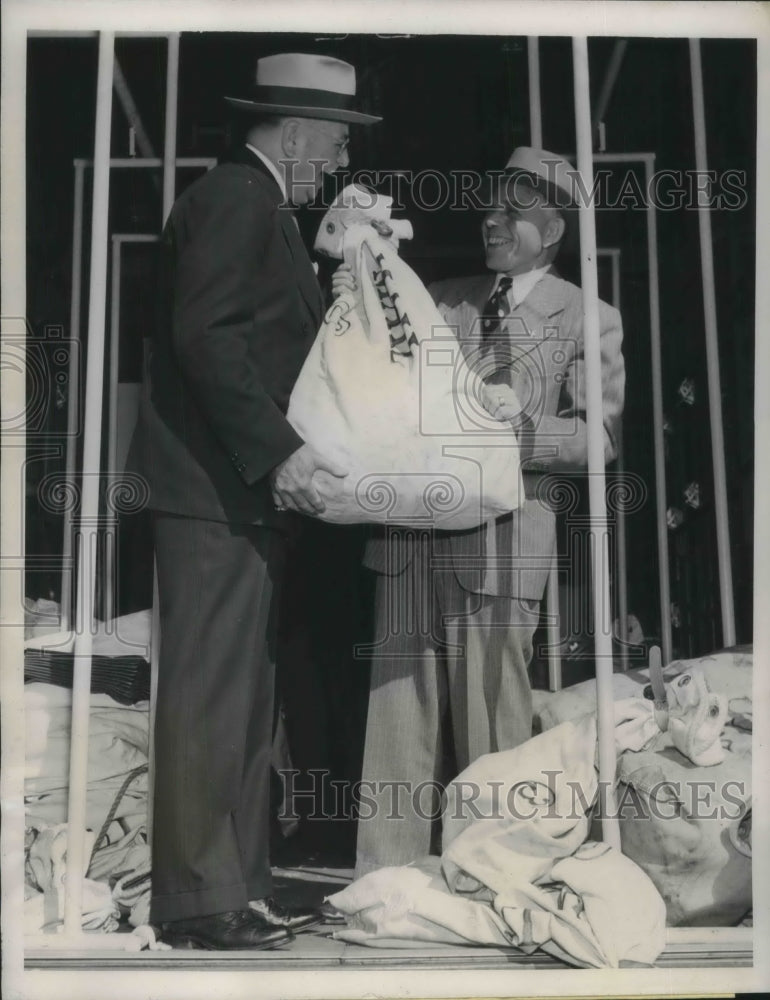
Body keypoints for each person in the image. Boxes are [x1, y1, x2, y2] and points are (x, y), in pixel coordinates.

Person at [128, 52, 380, 949]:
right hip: (214, 490)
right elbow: (208, 339)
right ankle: (199, 902)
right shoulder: (238, 198)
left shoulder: (261, 207)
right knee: (210, 698)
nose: (342, 163)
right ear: (298, 130)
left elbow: (255, 335)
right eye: (339, 142)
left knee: (240, 698)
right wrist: (279, 455)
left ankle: (238, 886)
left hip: (233, 496)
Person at [353, 147, 625, 876]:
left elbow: (599, 438)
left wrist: (521, 427)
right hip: (410, 533)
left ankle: (493, 873)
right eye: (491, 206)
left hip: (505, 542)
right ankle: (384, 881)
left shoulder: (588, 318)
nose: (492, 220)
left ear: (555, 226)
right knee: (396, 715)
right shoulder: (439, 298)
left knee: (492, 719)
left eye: (514, 209)